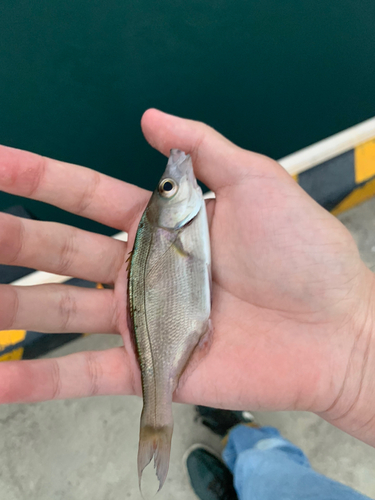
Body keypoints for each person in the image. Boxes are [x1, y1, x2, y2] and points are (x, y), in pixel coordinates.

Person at [0, 109, 374, 497]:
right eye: (168, 187)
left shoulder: (179, 225)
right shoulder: (172, 226)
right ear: (164, 213)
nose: (175, 178)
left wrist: (359, 347)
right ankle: (248, 451)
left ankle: (245, 453)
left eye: (166, 187)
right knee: (280, 483)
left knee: (275, 482)